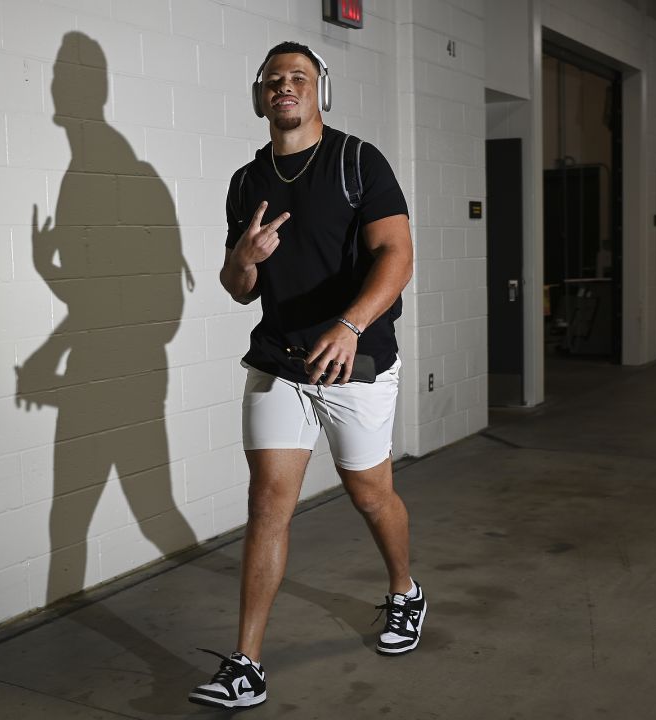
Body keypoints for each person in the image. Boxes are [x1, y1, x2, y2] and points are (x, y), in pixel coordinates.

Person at [188, 41, 424, 710]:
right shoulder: (246, 181)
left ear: (321, 89)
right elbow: (239, 287)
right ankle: (247, 664)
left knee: (370, 495)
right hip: (279, 361)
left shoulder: (357, 161)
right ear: (259, 95)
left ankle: (405, 592)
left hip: (357, 357)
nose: (284, 86)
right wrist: (244, 258)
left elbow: (397, 255)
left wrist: (348, 327)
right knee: (268, 503)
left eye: (298, 77)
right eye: (272, 79)